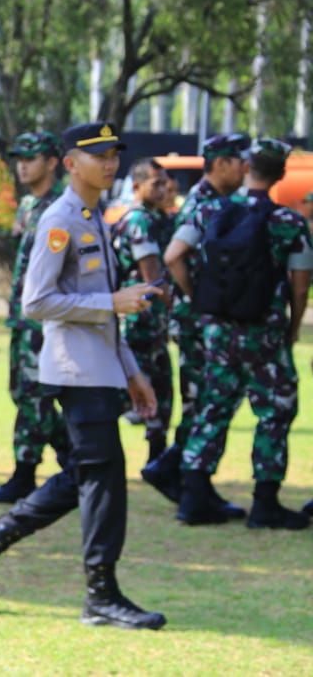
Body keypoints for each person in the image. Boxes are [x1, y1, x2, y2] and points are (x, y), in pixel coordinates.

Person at [0, 122, 167, 631]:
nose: (110, 164)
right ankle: (100, 596)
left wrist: (132, 373)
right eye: (99, 156)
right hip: (75, 372)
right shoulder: (61, 219)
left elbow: (107, 316)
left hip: (101, 371)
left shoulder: (94, 217)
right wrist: (110, 302)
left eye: (114, 155)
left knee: (86, 477)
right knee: (104, 479)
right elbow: (35, 302)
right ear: (70, 164)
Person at [169, 138, 312, 529]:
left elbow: (172, 257)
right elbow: (300, 285)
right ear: (282, 173)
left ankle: (194, 497)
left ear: (246, 168)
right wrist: (293, 327)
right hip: (264, 334)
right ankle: (265, 503)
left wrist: (200, 300)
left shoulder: (212, 211)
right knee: (275, 411)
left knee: (214, 406)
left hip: (218, 333)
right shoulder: (289, 223)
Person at [141, 134, 249, 517]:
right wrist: (200, 298)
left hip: (201, 323)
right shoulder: (205, 206)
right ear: (220, 164)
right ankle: (189, 484)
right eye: (240, 161)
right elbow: (174, 257)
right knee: (209, 401)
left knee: (206, 402)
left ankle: (182, 475)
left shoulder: (218, 203)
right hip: (200, 326)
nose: (245, 168)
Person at [0, 131, 71, 503]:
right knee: (21, 391)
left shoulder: (62, 206)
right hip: (23, 317)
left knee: (35, 396)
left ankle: (25, 472)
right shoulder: (29, 205)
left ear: (52, 162)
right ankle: (77, 458)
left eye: (30, 158)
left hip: (45, 320)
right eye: (18, 158)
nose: (22, 165)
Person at [110, 159, 173, 464]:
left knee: (161, 391)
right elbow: (154, 278)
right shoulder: (139, 220)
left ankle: (156, 459)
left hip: (153, 323)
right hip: (139, 322)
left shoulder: (157, 218)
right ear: (136, 186)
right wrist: (180, 309)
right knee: (129, 392)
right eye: (155, 183)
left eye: (164, 182)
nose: (163, 189)